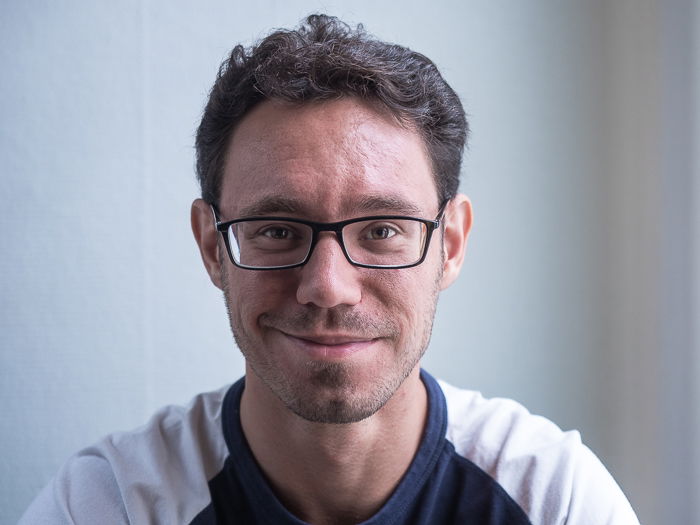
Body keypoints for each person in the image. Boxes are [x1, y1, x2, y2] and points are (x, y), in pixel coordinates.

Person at [20, 14, 640, 525]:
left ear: (449, 244)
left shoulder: (553, 501)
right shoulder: (112, 506)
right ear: (213, 247)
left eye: (382, 230)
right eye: (276, 230)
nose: (328, 288)